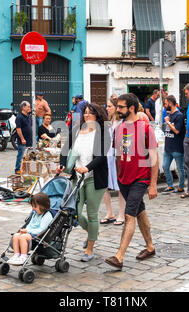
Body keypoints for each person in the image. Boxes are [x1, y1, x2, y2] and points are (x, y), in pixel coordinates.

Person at [104, 93, 158, 270]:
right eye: (117, 107)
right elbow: (119, 155)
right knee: (140, 212)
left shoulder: (144, 128)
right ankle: (150, 247)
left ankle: (119, 256)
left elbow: (154, 157)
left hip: (140, 178)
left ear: (132, 108)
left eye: (121, 107)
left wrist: (153, 184)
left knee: (129, 215)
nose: (117, 109)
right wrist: (120, 177)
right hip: (124, 179)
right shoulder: (119, 128)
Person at [58, 103, 110, 262]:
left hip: (95, 177)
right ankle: (93, 232)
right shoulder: (76, 131)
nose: (86, 116)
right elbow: (65, 149)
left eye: (90, 113)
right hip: (77, 177)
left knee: (92, 214)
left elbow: (101, 157)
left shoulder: (103, 133)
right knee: (75, 212)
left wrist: (87, 168)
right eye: (85, 113)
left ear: (98, 116)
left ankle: (90, 248)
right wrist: (62, 163)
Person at [7, 193, 54, 265]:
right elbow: (30, 225)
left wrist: (27, 231)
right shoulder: (35, 214)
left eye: (35, 206)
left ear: (43, 206)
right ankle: (16, 255)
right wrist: (25, 230)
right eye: (32, 206)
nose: (33, 208)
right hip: (29, 233)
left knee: (23, 237)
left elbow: (42, 230)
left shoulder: (47, 216)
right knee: (16, 235)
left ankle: (23, 256)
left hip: (38, 235)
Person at [101, 97, 126, 226]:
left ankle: (121, 213)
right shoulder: (108, 121)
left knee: (120, 185)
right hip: (107, 155)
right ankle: (109, 212)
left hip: (117, 156)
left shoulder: (122, 122)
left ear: (116, 108)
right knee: (105, 185)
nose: (107, 108)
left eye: (109, 106)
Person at [162, 95, 186, 194]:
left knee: (180, 168)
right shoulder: (170, 115)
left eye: (165, 103)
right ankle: (170, 185)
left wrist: (168, 122)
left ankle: (181, 187)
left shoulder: (179, 115)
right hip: (168, 147)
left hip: (177, 147)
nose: (164, 105)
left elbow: (176, 131)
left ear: (170, 103)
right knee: (165, 166)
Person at [14, 101, 33, 174]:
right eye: (28, 107)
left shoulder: (29, 117)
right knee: (20, 155)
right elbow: (18, 129)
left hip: (29, 139)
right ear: (23, 107)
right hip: (23, 140)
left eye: (29, 107)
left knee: (29, 155)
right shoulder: (19, 117)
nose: (29, 108)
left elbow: (30, 127)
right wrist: (22, 138)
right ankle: (17, 169)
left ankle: (27, 169)